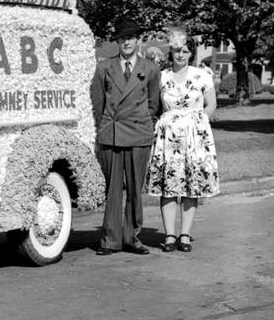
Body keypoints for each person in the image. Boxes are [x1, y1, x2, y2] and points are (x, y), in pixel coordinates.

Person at [90, 20, 162, 255]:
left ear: (138, 40)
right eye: (122, 39)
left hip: (139, 134)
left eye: (131, 38)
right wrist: (102, 131)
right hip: (111, 134)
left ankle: (132, 238)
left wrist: (145, 123)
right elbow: (97, 103)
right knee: (112, 189)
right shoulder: (104, 67)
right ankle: (110, 240)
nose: (127, 42)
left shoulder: (150, 68)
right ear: (118, 42)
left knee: (134, 189)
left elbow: (154, 103)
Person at [144, 28, 219, 252]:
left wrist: (198, 123)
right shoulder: (162, 76)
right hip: (168, 139)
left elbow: (211, 104)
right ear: (171, 52)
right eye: (177, 50)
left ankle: (184, 235)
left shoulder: (202, 76)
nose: (181, 55)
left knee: (190, 186)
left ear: (191, 53)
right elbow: (154, 106)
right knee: (169, 186)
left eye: (185, 51)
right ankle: (169, 236)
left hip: (195, 138)